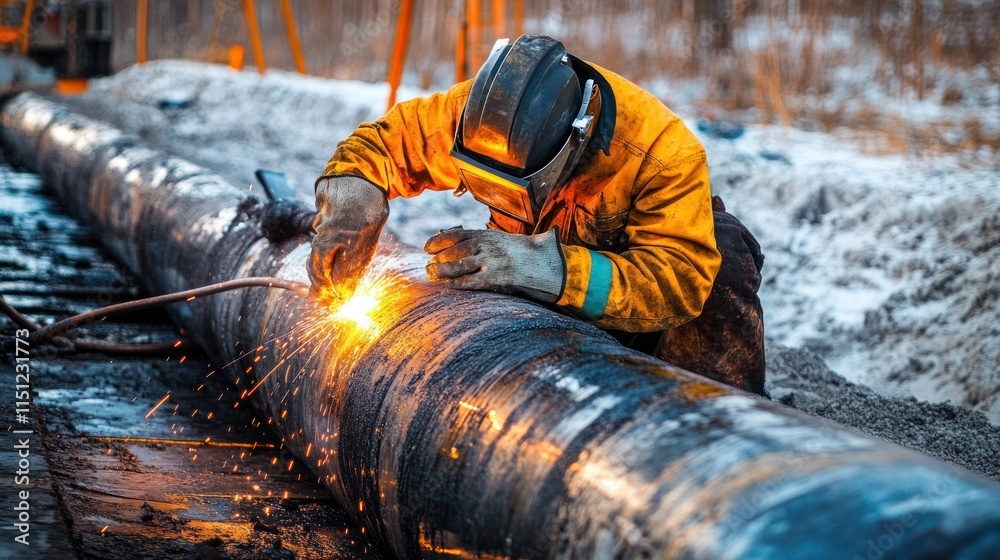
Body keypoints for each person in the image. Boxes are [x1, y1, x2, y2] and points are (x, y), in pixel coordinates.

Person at [308, 35, 765, 395]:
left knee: (725, 251)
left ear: (572, 148)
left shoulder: (661, 154)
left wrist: (544, 268)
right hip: (546, 299)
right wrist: (351, 206)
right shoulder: (482, 113)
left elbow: (678, 282)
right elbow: (381, 144)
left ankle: (717, 409)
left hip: (642, 315)